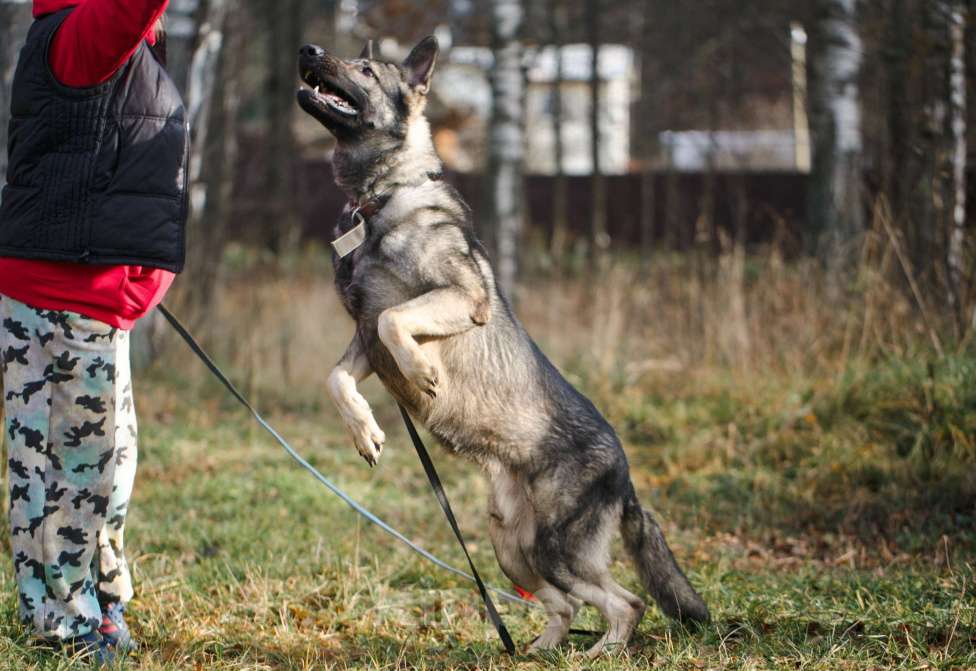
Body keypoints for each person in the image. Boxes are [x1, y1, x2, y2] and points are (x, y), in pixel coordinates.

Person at [0, 0, 187, 663]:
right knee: (65, 473)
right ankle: (63, 622)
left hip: (92, 301)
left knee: (107, 470)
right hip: (61, 298)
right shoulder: (77, 36)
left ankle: (99, 599)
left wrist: (139, 280)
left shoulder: (98, 46)